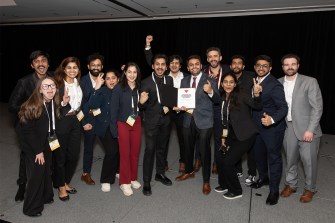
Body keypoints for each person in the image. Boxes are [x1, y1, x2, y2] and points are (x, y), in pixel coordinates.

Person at [17, 76, 70, 217]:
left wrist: (65, 104)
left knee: (47, 170)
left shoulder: (54, 102)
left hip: (48, 140)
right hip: (34, 145)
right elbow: (27, 132)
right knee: (36, 175)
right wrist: (38, 151)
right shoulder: (32, 105)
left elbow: (59, 117)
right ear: (40, 89)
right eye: (46, 86)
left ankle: (46, 197)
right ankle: (31, 208)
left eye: (52, 86)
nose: (50, 89)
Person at [278, 54, 323, 203]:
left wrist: (311, 129)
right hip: (287, 127)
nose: (289, 67)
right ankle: (291, 184)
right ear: (283, 67)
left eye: (293, 64)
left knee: (308, 161)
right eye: (286, 64)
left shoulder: (310, 81)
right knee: (290, 159)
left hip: (307, 128)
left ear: (298, 65)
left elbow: (317, 108)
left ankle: (310, 188)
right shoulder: (278, 83)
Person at [8, 50, 51, 202]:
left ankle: (45, 187)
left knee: (45, 154)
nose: (41, 64)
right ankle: (22, 186)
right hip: (27, 126)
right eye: (37, 61)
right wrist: (33, 107)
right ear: (32, 65)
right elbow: (12, 106)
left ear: (48, 64)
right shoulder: (24, 82)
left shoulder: (52, 79)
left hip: (46, 125)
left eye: (43, 60)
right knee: (27, 155)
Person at [175, 55, 220, 195]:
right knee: (187, 148)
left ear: (201, 66)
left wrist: (211, 91)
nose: (194, 66)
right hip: (188, 119)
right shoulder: (184, 80)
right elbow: (182, 98)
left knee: (204, 150)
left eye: (197, 64)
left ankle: (206, 180)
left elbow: (218, 99)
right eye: (191, 65)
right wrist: (179, 107)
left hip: (205, 121)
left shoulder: (210, 79)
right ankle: (189, 171)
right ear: (188, 67)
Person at [144, 35, 187, 173]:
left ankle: (183, 161)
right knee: (164, 141)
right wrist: (148, 46)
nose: (174, 65)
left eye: (177, 63)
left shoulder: (186, 76)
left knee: (182, 138)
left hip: (181, 111)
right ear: (169, 65)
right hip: (165, 112)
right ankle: (163, 164)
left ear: (180, 65)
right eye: (172, 63)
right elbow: (151, 60)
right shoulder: (164, 74)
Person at [217, 73, 262, 199]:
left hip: (246, 134)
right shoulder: (222, 97)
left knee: (228, 162)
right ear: (222, 84)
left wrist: (257, 94)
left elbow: (257, 106)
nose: (228, 84)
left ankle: (236, 191)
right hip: (231, 134)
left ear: (235, 84)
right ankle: (225, 184)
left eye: (231, 82)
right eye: (225, 82)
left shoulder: (242, 95)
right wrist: (223, 137)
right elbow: (224, 120)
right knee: (221, 157)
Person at [250, 55, 288, 205]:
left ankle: (274, 191)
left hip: (272, 129)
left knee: (274, 158)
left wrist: (271, 119)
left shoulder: (274, 84)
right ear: (254, 67)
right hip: (256, 127)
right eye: (258, 65)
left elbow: (283, 108)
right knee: (258, 155)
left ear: (270, 68)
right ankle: (264, 178)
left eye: (265, 66)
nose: (261, 68)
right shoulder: (253, 81)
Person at [139, 54, 174, 196]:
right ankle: (146, 182)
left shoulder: (169, 80)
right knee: (150, 150)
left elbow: (170, 100)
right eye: (157, 64)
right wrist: (141, 102)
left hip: (166, 120)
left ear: (166, 67)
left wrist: (175, 105)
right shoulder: (145, 82)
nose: (160, 67)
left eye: (162, 64)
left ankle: (160, 174)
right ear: (153, 66)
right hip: (151, 122)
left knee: (162, 149)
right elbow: (141, 106)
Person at [53, 57, 83, 201]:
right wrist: (64, 103)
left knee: (74, 155)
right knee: (60, 156)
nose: (72, 70)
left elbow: (79, 104)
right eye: (69, 67)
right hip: (62, 121)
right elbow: (51, 108)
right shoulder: (57, 85)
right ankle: (60, 186)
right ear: (63, 69)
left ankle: (65, 180)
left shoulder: (78, 82)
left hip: (75, 121)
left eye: (75, 67)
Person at [111, 63, 142, 196]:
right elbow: (113, 111)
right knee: (125, 153)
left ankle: (133, 178)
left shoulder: (139, 87)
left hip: (136, 122)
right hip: (123, 124)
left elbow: (140, 106)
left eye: (134, 72)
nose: (132, 75)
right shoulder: (118, 88)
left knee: (135, 153)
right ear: (125, 73)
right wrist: (114, 130)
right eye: (129, 72)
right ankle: (124, 182)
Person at [87, 70, 120, 193]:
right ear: (104, 81)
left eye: (113, 78)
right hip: (104, 127)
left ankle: (117, 171)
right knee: (111, 151)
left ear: (118, 79)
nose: (111, 81)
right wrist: (96, 88)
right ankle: (106, 180)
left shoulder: (121, 91)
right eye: (108, 78)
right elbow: (92, 104)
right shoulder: (101, 91)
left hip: (119, 126)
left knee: (119, 150)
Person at [199, 47, 230, 175]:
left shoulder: (228, 70)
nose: (213, 58)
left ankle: (217, 162)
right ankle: (199, 159)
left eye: (215, 56)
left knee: (219, 137)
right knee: (202, 137)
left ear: (220, 58)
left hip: (221, 108)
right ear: (207, 59)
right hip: (204, 109)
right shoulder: (202, 71)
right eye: (210, 56)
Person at [228, 55, 258, 186]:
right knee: (236, 144)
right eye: (234, 63)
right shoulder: (228, 78)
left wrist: (257, 95)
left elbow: (256, 103)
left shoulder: (252, 77)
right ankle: (238, 169)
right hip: (234, 120)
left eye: (239, 63)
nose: (236, 65)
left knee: (250, 149)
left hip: (248, 118)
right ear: (230, 66)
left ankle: (252, 173)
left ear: (243, 66)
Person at [80, 53, 105, 185]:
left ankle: (115, 171)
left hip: (103, 120)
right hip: (89, 120)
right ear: (88, 66)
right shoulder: (82, 81)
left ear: (102, 66)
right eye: (93, 65)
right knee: (88, 148)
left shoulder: (107, 78)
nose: (96, 67)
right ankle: (86, 173)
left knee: (112, 147)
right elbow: (80, 104)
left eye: (98, 65)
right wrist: (83, 122)